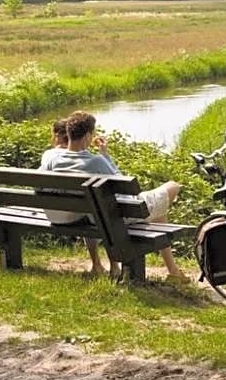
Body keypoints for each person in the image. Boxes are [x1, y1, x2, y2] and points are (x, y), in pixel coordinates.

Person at [40, 110, 189, 283]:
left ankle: (173, 271)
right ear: (88, 135)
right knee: (172, 187)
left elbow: (41, 186)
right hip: (115, 217)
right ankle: (173, 271)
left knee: (158, 210)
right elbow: (123, 185)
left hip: (85, 215)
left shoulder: (52, 158)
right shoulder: (95, 161)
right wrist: (104, 155)